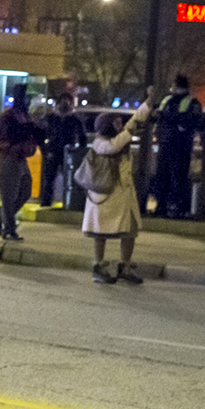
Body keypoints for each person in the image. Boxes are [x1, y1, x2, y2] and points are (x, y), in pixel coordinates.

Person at [82, 108, 150, 284]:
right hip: (105, 196)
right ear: (108, 126)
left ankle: (124, 266)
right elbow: (113, 147)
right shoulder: (100, 142)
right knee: (100, 232)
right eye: (116, 123)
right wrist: (128, 132)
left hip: (123, 196)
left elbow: (133, 122)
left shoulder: (120, 139)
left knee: (130, 231)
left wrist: (147, 104)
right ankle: (98, 266)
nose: (120, 126)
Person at [149, 74, 205, 219]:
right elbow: (155, 116)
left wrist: (169, 118)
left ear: (180, 87)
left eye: (174, 85)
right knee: (162, 176)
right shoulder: (167, 100)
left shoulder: (191, 103)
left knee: (179, 178)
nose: (172, 88)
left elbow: (190, 121)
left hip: (181, 148)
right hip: (165, 145)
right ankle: (161, 207)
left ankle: (178, 209)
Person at [0, 92, 40, 241]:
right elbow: (6, 137)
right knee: (9, 195)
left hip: (20, 157)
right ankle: (9, 229)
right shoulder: (9, 117)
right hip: (9, 156)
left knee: (25, 190)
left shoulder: (24, 116)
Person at [38, 96, 85, 208]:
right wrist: (45, 149)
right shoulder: (52, 118)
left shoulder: (74, 118)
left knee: (70, 179)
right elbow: (41, 133)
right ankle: (46, 203)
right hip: (54, 152)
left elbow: (82, 135)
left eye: (67, 102)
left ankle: (70, 203)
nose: (64, 104)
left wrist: (79, 150)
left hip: (68, 152)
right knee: (49, 179)